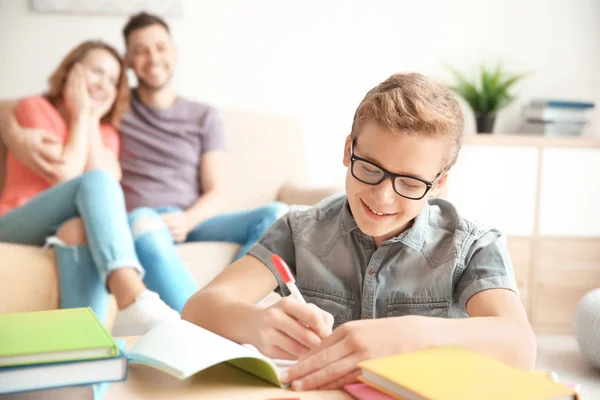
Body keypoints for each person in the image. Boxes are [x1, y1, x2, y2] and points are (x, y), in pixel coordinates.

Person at [180, 73, 537, 390]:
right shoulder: (300, 229)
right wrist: (255, 324)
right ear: (349, 150)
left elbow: (519, 346)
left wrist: (406, 336)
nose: (382, 196)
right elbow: (198, 309)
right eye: (370, 168)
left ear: (439, 183)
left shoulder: (472, 244)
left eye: (410, 182)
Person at [0, 12, 286, 276]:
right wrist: (13, 131)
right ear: (129, 61)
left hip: (190, 220)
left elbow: (219, 191)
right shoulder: (115, 106)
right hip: (141, 219)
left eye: (160, 47)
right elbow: (27, 106)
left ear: (174, 51)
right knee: (144, 224)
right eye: (140, 51)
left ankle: (230, 299)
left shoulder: (203, 115)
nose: (153, 58)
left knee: (276, 216)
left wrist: (187, 220)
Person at [0, 40, 184, 335]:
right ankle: (132, 297)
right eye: (97, 72)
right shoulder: (34, 108)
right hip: (15, 222)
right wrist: (82, 114)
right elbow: (67, 173)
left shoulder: (107, 132)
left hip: (60, 228)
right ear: (72, 72)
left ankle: (84, 356)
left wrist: (90, 121)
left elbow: (106, 181)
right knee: (95, 181)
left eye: (113, 80)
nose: (104, 84)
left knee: (78, 229)